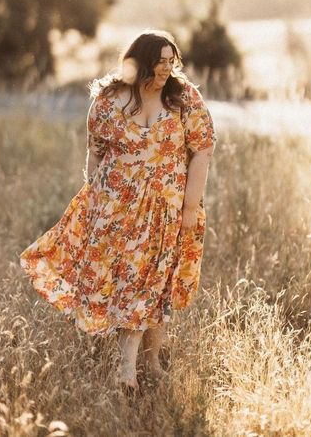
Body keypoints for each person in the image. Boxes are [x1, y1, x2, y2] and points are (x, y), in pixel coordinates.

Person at [19, 30, 217, 392]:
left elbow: (202, 149)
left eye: (171, 62)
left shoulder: (183, 96)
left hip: (166, 210)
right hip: (116, 208)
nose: (166, 69)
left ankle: (140, 366)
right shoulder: (110, 100)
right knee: (129, 283)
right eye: (159, 62)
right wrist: (95, 192)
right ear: (140, 61)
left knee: (155, 283)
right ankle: (135, 366)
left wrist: (190, 206)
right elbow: (95, 149)